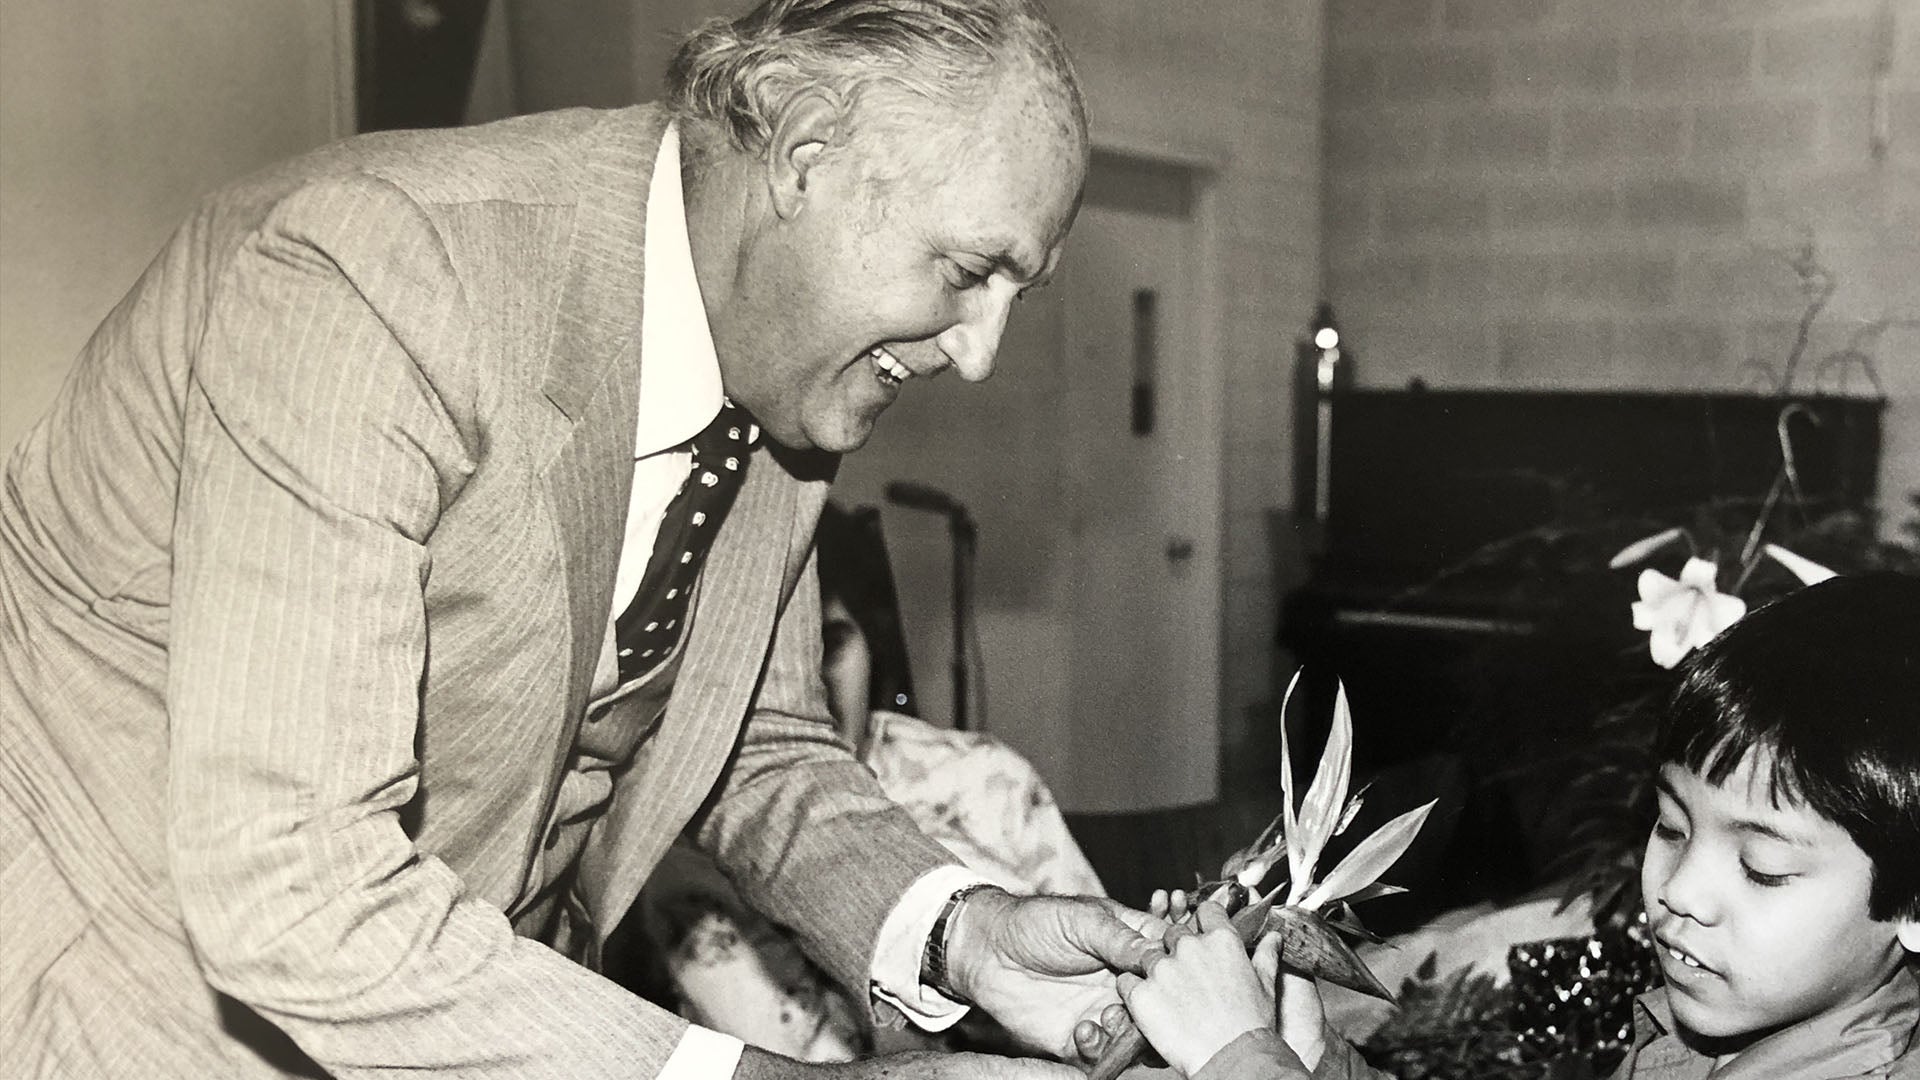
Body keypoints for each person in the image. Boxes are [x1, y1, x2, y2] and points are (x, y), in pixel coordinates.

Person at [0, 2, 1161, 1077]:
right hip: (141, 995)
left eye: (1020, 293)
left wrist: (955, 930)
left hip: (474, 1001)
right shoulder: (379, 274)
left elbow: (755, 740)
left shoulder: (783, 361)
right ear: (806, 155)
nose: (981, 353)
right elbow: (292, 877)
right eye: (967, 273)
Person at [1086, 572, 1920, 1079]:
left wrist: (1237, 1058)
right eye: (1669, 828)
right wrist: (1304, 1053)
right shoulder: (1724, 1026)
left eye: (1764, 869)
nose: (1682, 891)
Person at [627, 501, 1105, 1062]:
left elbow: (1095, 1006)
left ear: (871, 641)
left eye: (831, 644)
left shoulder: (983, 776)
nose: (811, 683)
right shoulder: (662, 843)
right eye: (768, 665)